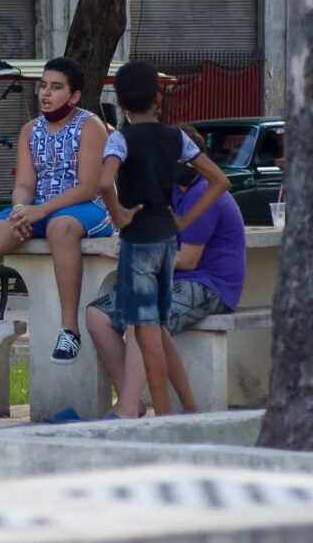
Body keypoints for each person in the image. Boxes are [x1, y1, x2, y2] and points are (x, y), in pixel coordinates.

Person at [97, 61, 231, 417]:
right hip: (168, 241)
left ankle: (164, 416)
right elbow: (220, 180)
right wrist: (185, 217)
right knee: (156, 327)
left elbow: (103, 181)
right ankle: (185, 410)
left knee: (145, 333)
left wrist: (120, 215)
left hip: (138, 241)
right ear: (157, 97)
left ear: (121, 102)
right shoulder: (177, 137)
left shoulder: (119, 138)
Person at [86, 126, 247, 419]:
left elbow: (187, 259)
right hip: (172, 281)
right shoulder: (170, 192)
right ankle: (134, 402)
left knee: (143, 318)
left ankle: (129, 410)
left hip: (208, 285)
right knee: (97, 315)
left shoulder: (205, 195)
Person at [0, 57, 111, 381]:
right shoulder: (30, 130)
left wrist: (41, 211)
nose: (45, 94)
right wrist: (22, 210)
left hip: (84, 207)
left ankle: (69, 330)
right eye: (43, 86)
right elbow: (23, 185)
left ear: (74, 96)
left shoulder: (90, 126)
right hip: (37, 208)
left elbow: (89, 186)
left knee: (60, 228)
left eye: (56, 87)